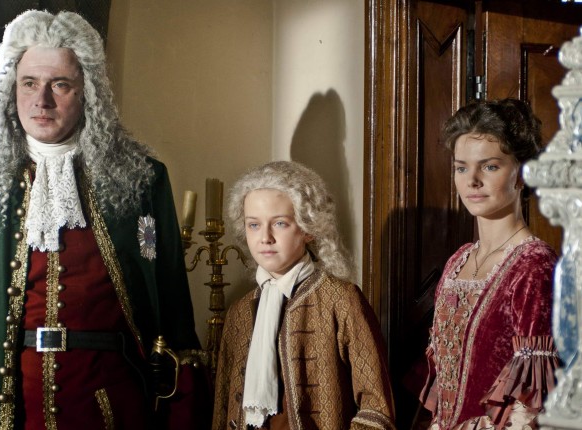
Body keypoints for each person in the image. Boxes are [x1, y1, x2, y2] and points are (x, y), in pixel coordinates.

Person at [0, 10, 209, 429]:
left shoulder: (142, 181)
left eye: (60, 84)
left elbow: (174, 314)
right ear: (11, 90)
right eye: (29, 83)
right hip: (6, 413)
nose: (42, 100)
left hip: (111, 407)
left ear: (88, 93)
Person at [212, 161, 395, 430]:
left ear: (308, 228)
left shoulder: (341, 299)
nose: (265, 237)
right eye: (254, 225)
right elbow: (222, 409)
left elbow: (376, 407)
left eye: (280, 223)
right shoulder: (239, 311)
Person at [419, 98, 559, 429]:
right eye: (461, 167)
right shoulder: (458, 260)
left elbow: (532, 404)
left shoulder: (534, 265)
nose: (472, 180)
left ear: (521, 174)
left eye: (490, 167)